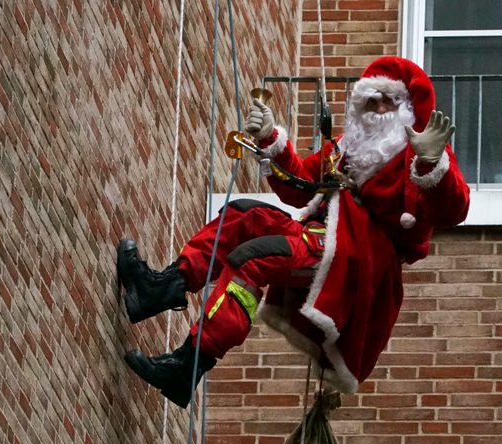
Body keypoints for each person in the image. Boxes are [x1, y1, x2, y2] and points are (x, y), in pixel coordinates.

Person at [118, 56, 470, 408]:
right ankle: (160, 288)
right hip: (321, 236)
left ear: (406, 107)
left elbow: (456, 209)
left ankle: (188, 364)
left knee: (253, 259)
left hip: (358, 256)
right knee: (244, 216)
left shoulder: (422, 153)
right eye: (370, 100)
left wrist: (430, 161)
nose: (378, 108)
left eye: (388, 100)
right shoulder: (349, 147)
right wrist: (270, 137)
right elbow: (300, 187)